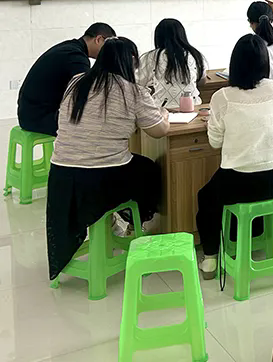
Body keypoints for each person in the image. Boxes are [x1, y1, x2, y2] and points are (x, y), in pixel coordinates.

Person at [46, 37, 168, 281]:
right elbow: (159, 131)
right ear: (130, 62)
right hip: (101, 178)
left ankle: (110, 219)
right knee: (149, 170)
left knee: (132, 164)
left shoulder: (77, 82)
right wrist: (163, 113)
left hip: (61, 175)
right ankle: (133, 222)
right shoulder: (133, 91)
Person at [196, 34, 273, 278]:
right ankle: (272, 232)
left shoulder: (222, 97)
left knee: (206, 197)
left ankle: (210, 257)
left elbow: (215, 142)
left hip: (239, 182)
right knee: (254, 187)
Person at [18, 23, 116, 137]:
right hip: (40, 118)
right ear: (98, 39)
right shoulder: (76, 57)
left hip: (29, 114)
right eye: (108, 47)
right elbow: (87, 92)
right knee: (96, 125)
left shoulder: (69, 48)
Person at [136, 19, 206, 109]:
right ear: (182, 35)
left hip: (163, 108)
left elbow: (138, 84)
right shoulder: (195, 55)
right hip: (193, 106)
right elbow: (202, 80)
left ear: (158, 37)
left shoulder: (151, 57)